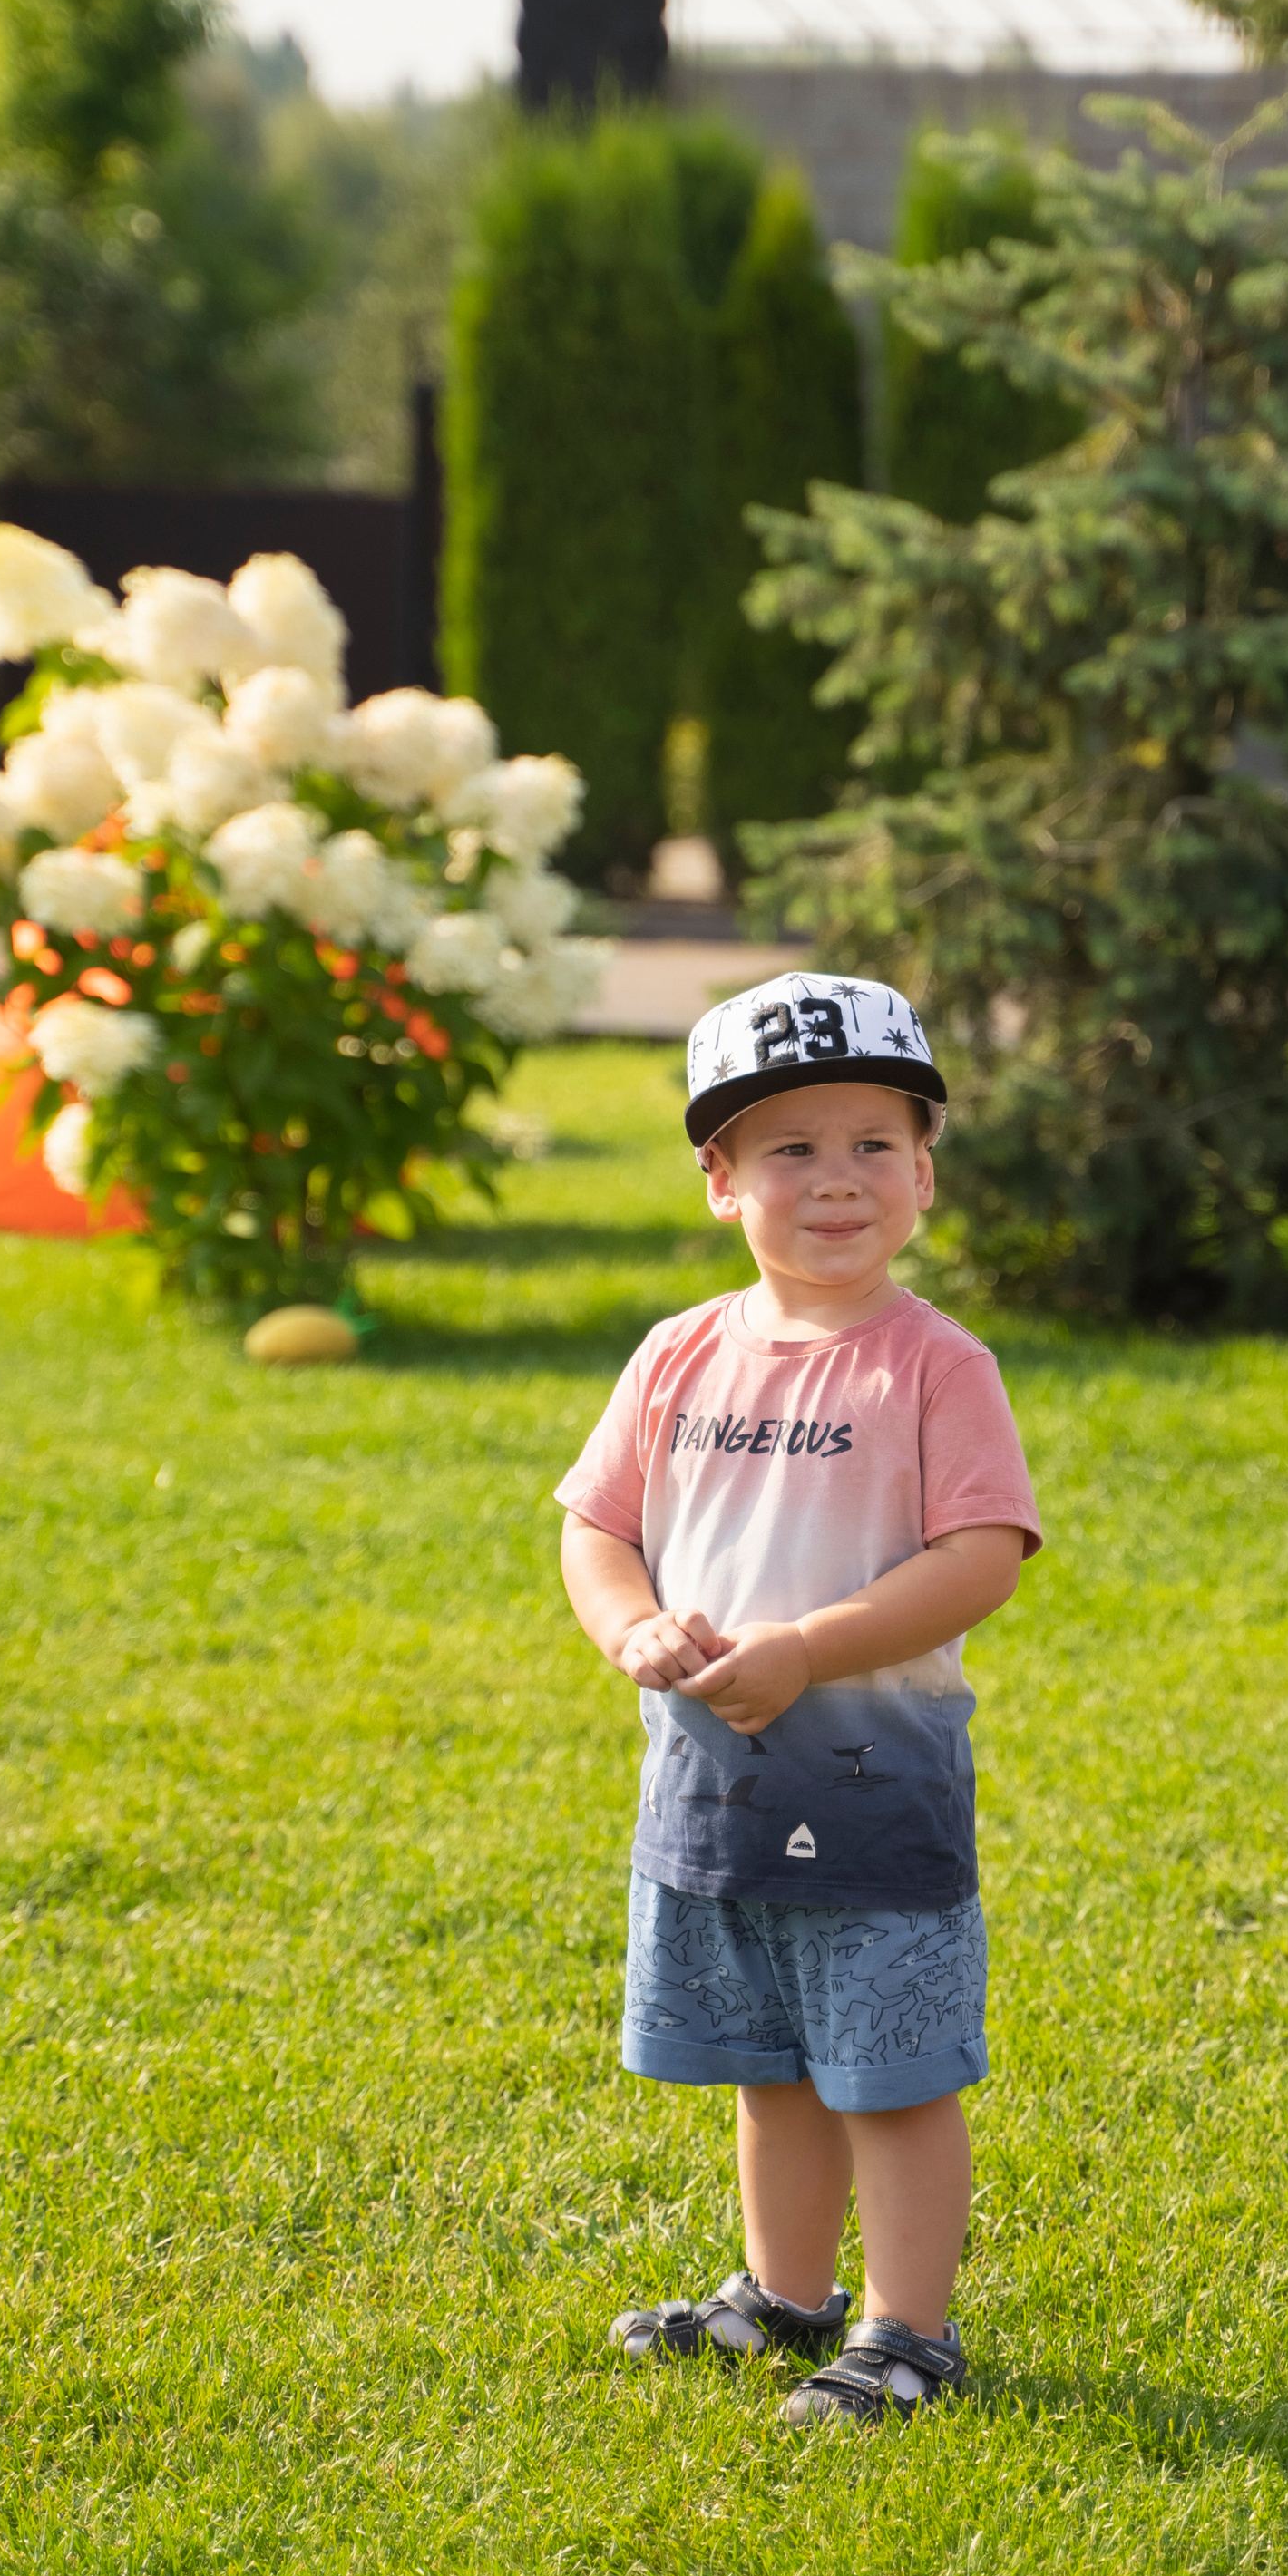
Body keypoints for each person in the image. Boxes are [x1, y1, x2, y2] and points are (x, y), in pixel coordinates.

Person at [556, 971, 1042, 2425]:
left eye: (872, 1144)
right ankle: (785, 2296)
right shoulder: (679, 1353)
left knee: (886, 2071)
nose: (837, 1181)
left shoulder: (938, 1367)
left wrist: (811, 1651)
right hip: (708, 1785)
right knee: (771, 2064)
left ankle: (910, 2335)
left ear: (926, 1175)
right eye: (790, 1149)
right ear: (719, 1182)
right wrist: (633, 1626)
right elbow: (598, 1526)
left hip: (869, 1786)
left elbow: (981, 1559)